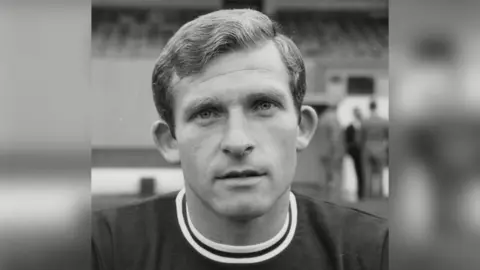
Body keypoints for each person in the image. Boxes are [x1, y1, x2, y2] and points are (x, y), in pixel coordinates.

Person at [91, 9, 388, 270]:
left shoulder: (378, 251)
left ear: (302, 127)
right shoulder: (100, 250)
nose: (237, 141)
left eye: (263, 106)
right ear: (170, 140)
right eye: (207, 113)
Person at [361, 99, 389, 198]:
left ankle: (367, 196)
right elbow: (388, 137)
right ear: (376, 106)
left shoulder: (365, 121)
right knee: (380, 173)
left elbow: (361, 138)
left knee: (367, 174)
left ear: (369, 107)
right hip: (380, 147)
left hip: (368, 147)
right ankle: (379, 195)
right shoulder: (384, 121)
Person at [318, 104, 345, 201]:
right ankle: (334, 198)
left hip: (323, 151)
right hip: (333, 152)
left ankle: (325, 198)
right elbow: (335, 138)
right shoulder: (333, 118)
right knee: (335, 175)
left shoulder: (322, 118)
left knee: (325, 176)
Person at [344, 107, 366, 201]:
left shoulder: (363, 126)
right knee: (358, 172)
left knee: (361, 172)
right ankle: (360, 193)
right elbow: (347, 141)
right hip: (355, 153)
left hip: (362, 152)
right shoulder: (350, 127)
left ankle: (362, 193)